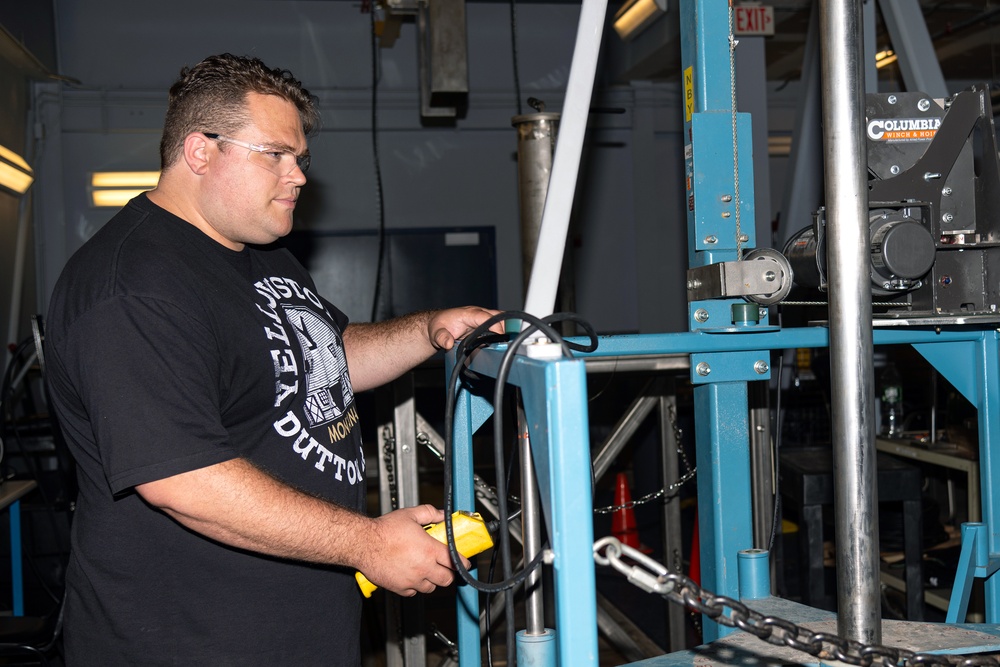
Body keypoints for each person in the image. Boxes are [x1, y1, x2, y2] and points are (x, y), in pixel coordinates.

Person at [45, 53, 502, 664]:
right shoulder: (133, 286)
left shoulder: (257, 251)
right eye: (275, 154)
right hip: (190, 642)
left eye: (300, 158)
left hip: (299, 628)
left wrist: (428, 330)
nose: (299, 176)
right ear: (200, 152)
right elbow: (183, 481)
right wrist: (367, 543)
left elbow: (327, 355)